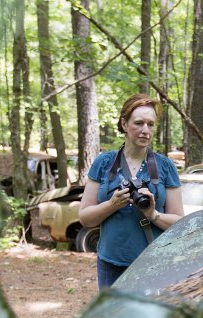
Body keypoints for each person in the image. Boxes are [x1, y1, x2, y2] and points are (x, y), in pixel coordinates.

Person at [79, 93, 184, 289]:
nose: (145, 130)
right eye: (139, 123)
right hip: (111, 264)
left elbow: (179, 222)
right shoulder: (104, 163)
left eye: (150, 124)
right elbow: (85, 218)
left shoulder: (165, 166)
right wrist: (111, 205)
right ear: (124, 124)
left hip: (154, 264)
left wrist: (153, 214)